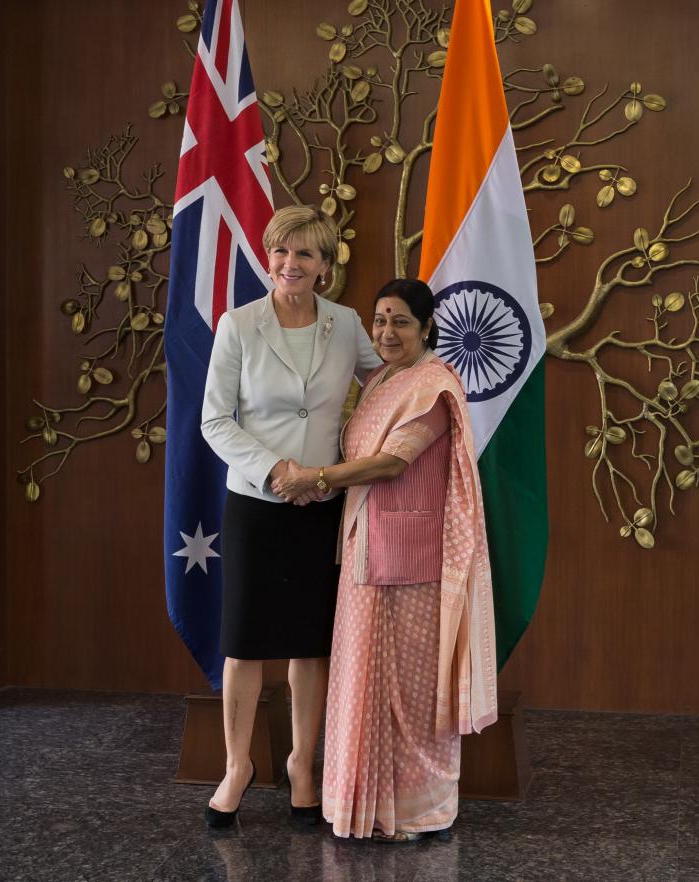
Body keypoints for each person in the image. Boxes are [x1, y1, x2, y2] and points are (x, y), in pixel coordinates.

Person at [273, 278, 499, 841]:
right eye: (379, 320)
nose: (386, 332)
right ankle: (366, 807)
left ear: (427, 328)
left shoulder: (433, 386)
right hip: (360, 549)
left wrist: (314, 478)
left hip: (411, 558)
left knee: (409, 690)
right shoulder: (378, 380)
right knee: (363, 678)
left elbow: (391, 464)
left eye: (400, 321)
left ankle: (419, 810)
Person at [199, 205, 379, 828]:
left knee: (310, 640)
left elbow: (385, 390)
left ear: (326, 266)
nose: (290, 264)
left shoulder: (348, 324)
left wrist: (339, 465)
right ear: (268, 258)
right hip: (256, 501)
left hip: (323, 505)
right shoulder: (238, 325)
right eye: (280, 252)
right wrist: (278, 471)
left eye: (304, 254)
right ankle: (238, 765)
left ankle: (305, 764)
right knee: (244, 640)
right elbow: (214, 420)